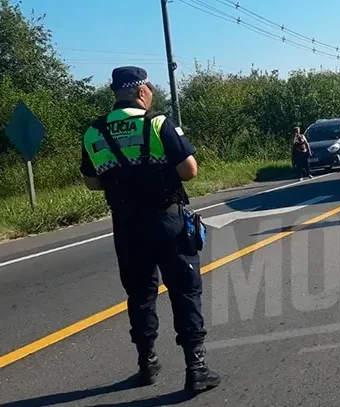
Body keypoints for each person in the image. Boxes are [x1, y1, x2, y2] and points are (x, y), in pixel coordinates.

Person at [79, 66, 221, 393]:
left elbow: (91, 182)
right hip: (166, 220)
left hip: (127, 225)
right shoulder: (157, 123)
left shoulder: (94, 131)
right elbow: (189, 170)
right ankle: (196, 367)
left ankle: (147, 364)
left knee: (140, 294)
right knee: (185, 290)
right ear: (142, 91)